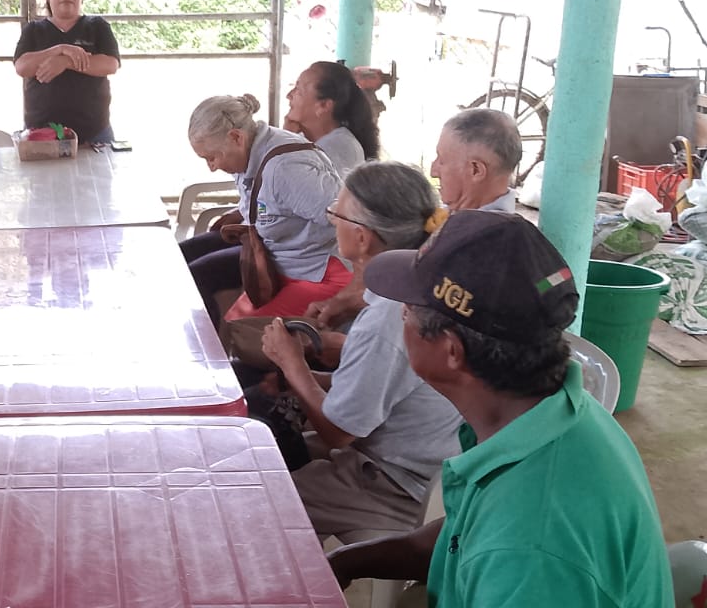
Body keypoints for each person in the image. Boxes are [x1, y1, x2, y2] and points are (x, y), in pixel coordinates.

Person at [327, 210, 673, 607]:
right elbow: (466, 534)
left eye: (406, 310)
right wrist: (349, 561)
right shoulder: (553, 413)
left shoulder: (530, 549)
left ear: (451, 350)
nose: (401, 315)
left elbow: (510, 545)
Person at [252, 162, 461, 541]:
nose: (332, 221)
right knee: (260, 452)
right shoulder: (430, 281)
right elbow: (383, 386)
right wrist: (311, 378)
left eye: (337, 213)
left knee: (251, 498)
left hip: (397, 481)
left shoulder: (389, 316)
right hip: (421, 457)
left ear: (362, 238)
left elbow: (338, 432)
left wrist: (292, 363)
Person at [305, 107, 523, 329]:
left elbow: (441, 326)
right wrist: (354, 302)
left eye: (442, 160)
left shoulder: (488, 246)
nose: (434, 170)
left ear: (476, 170)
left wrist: (340, 341)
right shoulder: (460, 216)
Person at [180, 94, 347, 326]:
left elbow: (348, 217)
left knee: (240, 330)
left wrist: (355, 293)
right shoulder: (250, 149)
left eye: (212, 158)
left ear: (236, 137)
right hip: (277, 257)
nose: (212, 167)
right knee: (186, 263)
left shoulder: (286, 169)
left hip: (317, 272)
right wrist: (241, 213)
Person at [13, 0, 122, 144]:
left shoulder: (97, 26)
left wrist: (65, 62)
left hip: (94, 134)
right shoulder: (34, 30)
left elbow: (111, 64)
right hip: (40, 134)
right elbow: (22, 67)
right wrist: (60, 49)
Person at [283, 60, 380, 174]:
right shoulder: (302, 137)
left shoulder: (340, 148)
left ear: (323, 105)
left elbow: (288, 180)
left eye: (299, 91)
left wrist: (287, 142)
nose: (289, 95)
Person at [430, 107, 523, 213]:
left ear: (476, 170)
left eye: (442, 161)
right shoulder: (452, 213)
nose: (433, 172)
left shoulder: (485, 223)